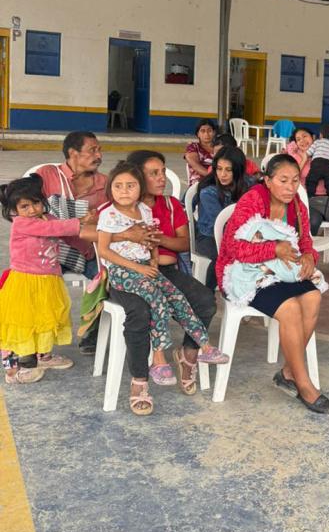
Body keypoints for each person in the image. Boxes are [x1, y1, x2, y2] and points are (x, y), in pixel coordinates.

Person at [97, 162, 229, 415]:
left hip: (148, 267)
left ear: (139, 187)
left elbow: (153, 241)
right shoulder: (108, 214)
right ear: (110, 189)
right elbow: (103, 250)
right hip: (123, 271)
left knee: (178, 297)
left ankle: (204, 347)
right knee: (155, 302)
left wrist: (154, 260)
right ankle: (157, 360)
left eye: (130, 186)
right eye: (118, 186)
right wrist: (136, 265)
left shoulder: (146, 211)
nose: (124, 191)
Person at [215, 154, 329, 414]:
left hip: (282, 269)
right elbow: (234, 249)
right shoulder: (253, 200)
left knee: (313, 297)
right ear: (268, 181)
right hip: (245, 271)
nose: (290, 187)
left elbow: (305, 242)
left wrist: (309, 257)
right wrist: (274, 249)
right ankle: (304, 384)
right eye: (283, 181)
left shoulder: (297, 205)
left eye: (295, 181)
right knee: (290, 308)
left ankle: (289, 372)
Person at [0, 175, 95, 384]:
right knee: (26, 323)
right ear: (14, 210)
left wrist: (86, 248)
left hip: (48, 281)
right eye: (24, 206)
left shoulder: (48, 218)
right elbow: (53, 229)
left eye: (35, 203)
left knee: (47, 319)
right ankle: (22, 366)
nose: (32, 210)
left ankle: (43, 356)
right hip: (26, 282)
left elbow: (67, 235)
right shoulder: (22, 224)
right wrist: (79, 222)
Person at [36, 131, 114, 355]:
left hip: (87, 250)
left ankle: (92, 331)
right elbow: (27, 209)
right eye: (93, 150)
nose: (99, 155)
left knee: (109, 278)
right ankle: (35, 342)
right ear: (73, 153)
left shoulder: (105, 183)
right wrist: (73, 220)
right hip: (52, 250)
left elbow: (111, 219)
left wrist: (95, 221)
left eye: (99, 150)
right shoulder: (48, 175)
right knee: (32, 280)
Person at [284, 126, 329, 270]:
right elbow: (293, 177)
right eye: (298, 139)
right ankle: (305, 257)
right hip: (311, 202)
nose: (302, 141)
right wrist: (305, 158)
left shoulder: (328, 155)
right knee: (313, 221)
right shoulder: (297, 158)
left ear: (314, 138)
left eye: (305, 136)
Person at [196, 145, 252, 289]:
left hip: (241, 234)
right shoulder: (208, 192)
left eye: (228, 170)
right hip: (208, 237)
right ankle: (208, 293)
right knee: (223, 255)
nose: (223, 174)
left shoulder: (248, 184)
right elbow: (223, 225)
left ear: (238, 171)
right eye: (219, 169)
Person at [304, 125, 329, 199]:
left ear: (321, 135)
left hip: (316, 164)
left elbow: (309, 152)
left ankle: (310, 196)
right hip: (327, 165)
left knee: (311, 181)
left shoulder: (317, 142)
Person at [184, 118, 218, 185]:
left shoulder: (219, 148)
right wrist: (214, 178)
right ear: (198, 134)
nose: (206, 134)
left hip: (218, 182)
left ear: (214, 133)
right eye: (203, 131)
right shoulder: (193, 147)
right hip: (198, 184)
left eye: (209, 131)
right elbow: (195, 165)